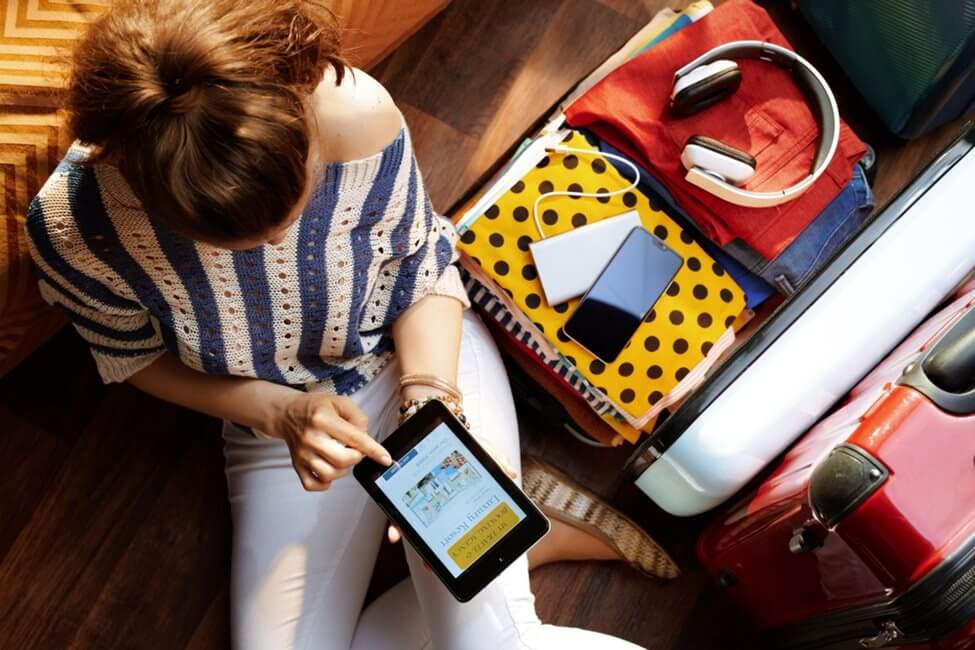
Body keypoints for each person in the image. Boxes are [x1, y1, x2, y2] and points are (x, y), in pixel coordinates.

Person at [26, 1, 676, 648]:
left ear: (299, 99)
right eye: (242, 240)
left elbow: (419, 263)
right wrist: (281, 415)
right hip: (274, 417)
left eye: (297, 197)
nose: (282, 235)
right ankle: (524, 536)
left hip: (413, 359)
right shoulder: (74, 231)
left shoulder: (352, 112)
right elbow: (130, 355)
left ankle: (507, 544)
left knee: (492, 644)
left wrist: (432, 400)